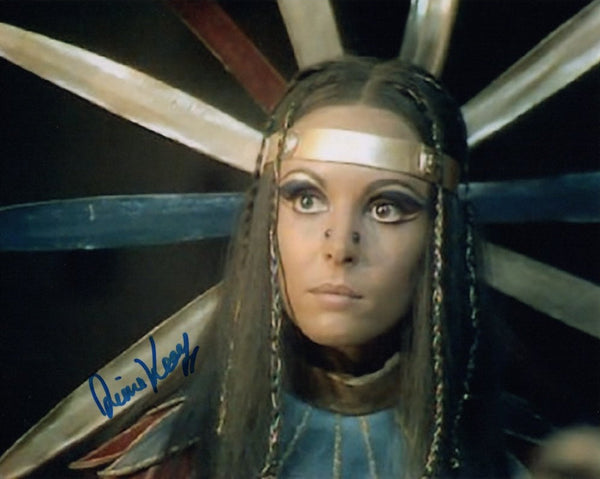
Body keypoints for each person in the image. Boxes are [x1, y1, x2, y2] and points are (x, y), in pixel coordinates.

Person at [8, 57, 510, 478]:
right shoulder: (169, 466)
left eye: (387, 207)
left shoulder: (522, 463)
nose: (340, 246)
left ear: (442, 238)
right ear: (268, 219)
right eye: (306, 198)